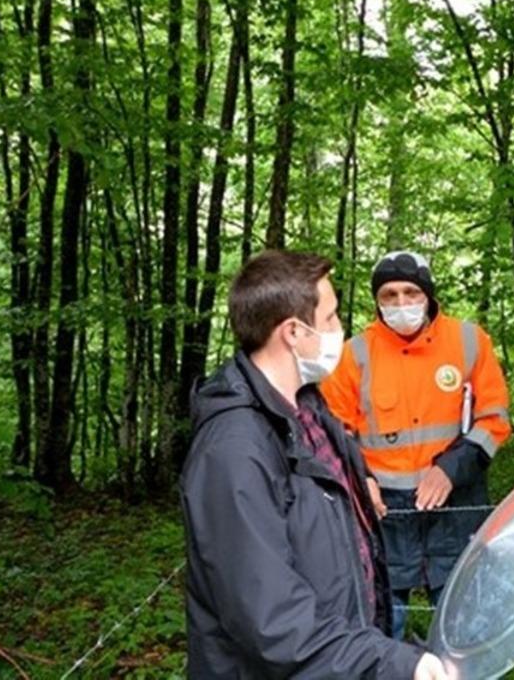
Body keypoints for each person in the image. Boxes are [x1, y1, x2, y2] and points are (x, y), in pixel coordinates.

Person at [180, 249, 446, 679]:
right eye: (331, 319)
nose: (340, 330)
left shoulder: (306, 410)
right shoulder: (233, 452)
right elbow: (273, 622)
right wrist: (393, 665)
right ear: (293, 332)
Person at [321, 251, 511, 639]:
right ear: (377, 300)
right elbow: (336, 432)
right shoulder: (352, 355)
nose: (401, 303)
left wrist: (449, 470)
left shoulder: (469, 341)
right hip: (385, 511)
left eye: (410, 292)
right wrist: (363, 481)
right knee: (383, 623)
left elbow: (495, 420)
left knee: (464, 620)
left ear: (428, 294)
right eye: (389, 295)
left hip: (455, 502)